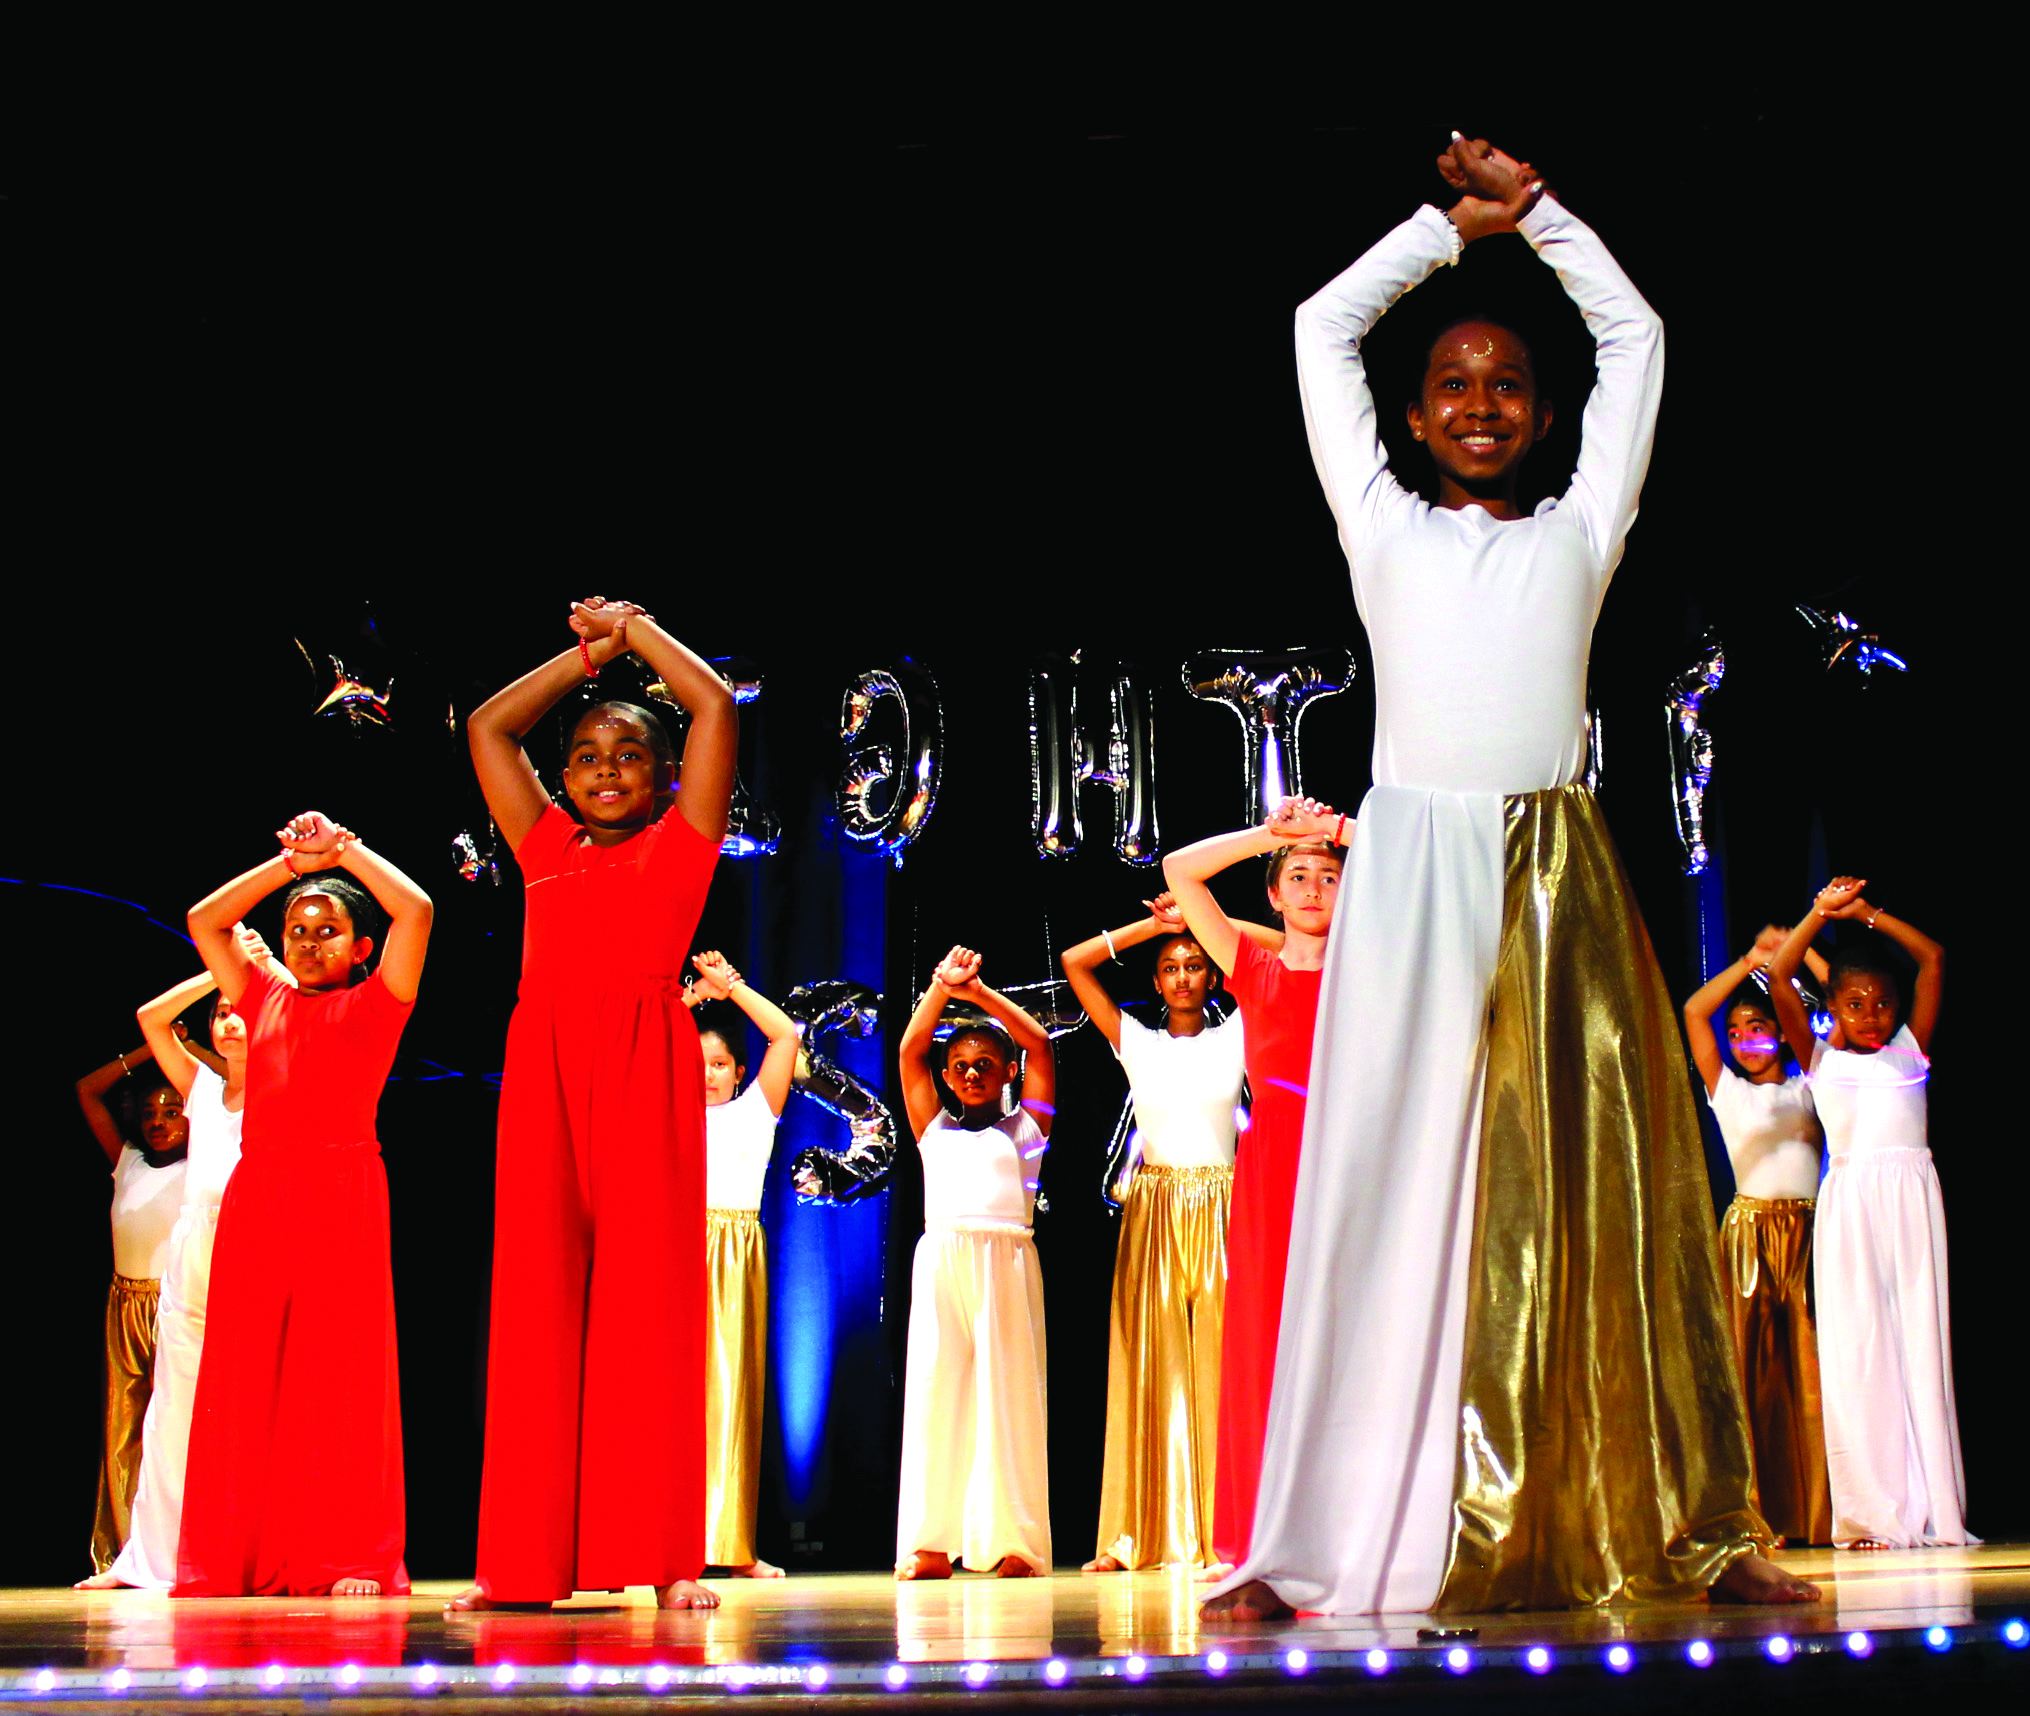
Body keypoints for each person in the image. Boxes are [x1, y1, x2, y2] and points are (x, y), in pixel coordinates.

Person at [1204, 134, 1812, 1620]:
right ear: (1412, 420)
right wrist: (1441, 232)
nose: (1480, 403)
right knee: (1374, 1186)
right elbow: (1315, 329)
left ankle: (1697, 1529)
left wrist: (1536, 220)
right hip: (1409, 860)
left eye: (1506, 388)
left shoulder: (1581, 532)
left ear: (1542, 422)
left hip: (1552, 862)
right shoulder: (1380, 524)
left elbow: (1637, 335)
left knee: (1609, 1192)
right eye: (1453, 386)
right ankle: (1301, 1546)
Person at [455, 597, 736, 1612]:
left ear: (663, 777)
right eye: (584, 754)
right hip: (544, 1065)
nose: (607, 767)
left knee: (642, 1307)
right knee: (534, 1306)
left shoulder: (681, 842)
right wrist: (583, 657)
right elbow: (488, 726)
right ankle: (520, 1563)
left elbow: (708, 705)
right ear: (562, 779)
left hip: (642, 1062)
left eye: (628, 753)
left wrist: (636, 633)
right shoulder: (543, 848)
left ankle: (659, 1557)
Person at [176, 813, 432, 1597]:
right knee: (245, 1374)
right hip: (262, 1191)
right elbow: (204, 920)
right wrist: (289, 866)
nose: (310, 942)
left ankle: (350, 1553)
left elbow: (416, 910)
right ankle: (241, 1552)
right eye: (296, 930)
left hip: (343, 1190)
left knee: (340, 1377)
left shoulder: (378, 1001)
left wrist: (345, 851)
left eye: (329, 931)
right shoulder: (257, 997)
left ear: (360, 947)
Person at [1163, 800, 1342, 1576]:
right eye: (1296, 878)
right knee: (1264, 1341)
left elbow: (1434, 871)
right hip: (1273, 1156)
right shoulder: (1252, 967)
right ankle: (1254, 1534)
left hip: (1348, 1153)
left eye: (1329, 878)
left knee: (1347, 1334)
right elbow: (1180, 872)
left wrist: (1338, 833)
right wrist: (1272, 835)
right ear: (1273, 895)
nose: (1312, 888)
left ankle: (1349, 1525)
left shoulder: (1369, 965)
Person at [1764, 880, 1970, 1550]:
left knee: (1919, 1341)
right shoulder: (1818, 1060)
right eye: (1855, 1003)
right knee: (1860, 1350)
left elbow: (1933, 957)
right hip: (1851, 1205)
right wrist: (1820, 914)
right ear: (1834, 1010)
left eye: (1883, 1003)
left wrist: (1867, 916)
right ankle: (1871, 1509)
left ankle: (1932, 1502)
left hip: (1912, 1198)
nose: (1872, 1014)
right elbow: (1783, 972)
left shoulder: (1909, 1052)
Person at [79, 939, 273, 1589]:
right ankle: (148, 1558)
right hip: (192, 1257)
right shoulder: (203, 1090)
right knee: (169, 1414)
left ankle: (243, 1551)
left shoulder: (282, 1088)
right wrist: (218, 974)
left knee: (250, 1414)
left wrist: (261, 980)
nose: (227, 1018)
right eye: (221, 1010)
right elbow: (152, 1021)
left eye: (239, 1008)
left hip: (250, 1254)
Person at [1062, 893, 1247, 1573]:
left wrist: (1205, 920)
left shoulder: (1238, 1034)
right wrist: (1155, 925)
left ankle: (1223, 1533)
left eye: (1195, 964)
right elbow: (1074, 964)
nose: (1182, 976)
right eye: (1170, 966)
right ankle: (1135, 1530)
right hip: (1157, 1207)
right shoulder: (1134, 1040)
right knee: (1152, 1363)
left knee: (1223, 1370)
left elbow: (1287, 950)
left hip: (1223, 1206)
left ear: (1214, 976)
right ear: (1156, 980)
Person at [894, 946, 1057, 1580]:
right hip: (941, 1261)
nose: (969, 1074)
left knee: (1007, 1398)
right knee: (939, 1395)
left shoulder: (1026, 1130)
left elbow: (1041, 1044)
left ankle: (1013, 1542)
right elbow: (910, 1052)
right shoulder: (933, 1128)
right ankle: (932, 1543)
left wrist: (980, 993)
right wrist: (940, 988)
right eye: (959, 1065)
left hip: (1006, 1262)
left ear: (1006, 1071)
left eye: (984, 1064)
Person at [1684, 926, 1833, 1546]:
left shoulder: (1814, 1083)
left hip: (1809, 1233)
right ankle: (1753, 1515)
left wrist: (1801, 952)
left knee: (1815, 1375)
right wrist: (1746, 959)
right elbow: (1695, 1011)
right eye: (1738, 1031)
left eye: (1760, 1027)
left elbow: (1831, 1014)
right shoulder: (1728, 1092)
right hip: (1747, 1235)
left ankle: (1822, 1511)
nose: (1747, 1041)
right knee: (1751, 1377)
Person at [688, 950, 800, 1579]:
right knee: (665, 1405)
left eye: (720, 1065)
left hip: (732, 1254)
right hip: (671, 1251)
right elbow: (623, 1048)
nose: (707, 1076)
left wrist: (729, 989)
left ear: (736, 1072)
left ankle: (731, 1546)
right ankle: (653, 1543)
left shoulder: (755, 1111)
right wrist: (688, 1000)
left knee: (730, 1399)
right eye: (696, 1064)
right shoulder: (657, 1110)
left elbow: (785, 1034)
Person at [73, 1040, 191, 1575]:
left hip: (178, 1306)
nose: (160, 1122)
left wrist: (184, 1051)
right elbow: (87, 1090)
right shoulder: (127, 1162)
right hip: (124, 1307)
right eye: (149, 1113)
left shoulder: (206, 1161)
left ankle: (181, 1549)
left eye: (172, 1111)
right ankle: (122, 1554)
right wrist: (150, 1049)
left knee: (177, 1432)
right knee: (124, 1434)